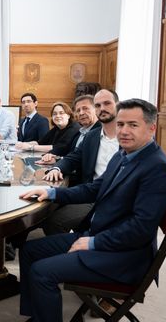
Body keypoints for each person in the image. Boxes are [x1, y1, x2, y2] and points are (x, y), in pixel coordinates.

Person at [18, 98, 166, 322]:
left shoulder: (159, 169)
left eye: (133, 125)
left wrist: (93, 243)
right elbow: (95, 188)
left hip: (122, 256)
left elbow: (139, 229)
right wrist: (52, 193)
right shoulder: (124, 154)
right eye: (121, 124)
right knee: (29, 251)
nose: (123, 131)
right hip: (100, 234)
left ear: (152, 128)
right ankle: (39, 316)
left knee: (41, 272)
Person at [40, 89, 120, 235]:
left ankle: (73, 251)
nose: (102, 108)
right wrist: (56, 169)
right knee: (44, 205)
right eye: (98, 105)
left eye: (107, 103)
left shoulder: (126, 138)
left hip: (108, 197)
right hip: (90, 191)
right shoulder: (92, 135)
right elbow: (74, 157)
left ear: (118, 105)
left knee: (53, 220)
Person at [16, 101, 80, 156]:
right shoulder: (56, 129)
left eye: (61, 113)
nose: (58, 116)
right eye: (54, 114)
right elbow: (40, 142)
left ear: (68, 115)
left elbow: (58, 148)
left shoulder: (74, 128)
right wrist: (23, 144)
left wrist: (30, 147)